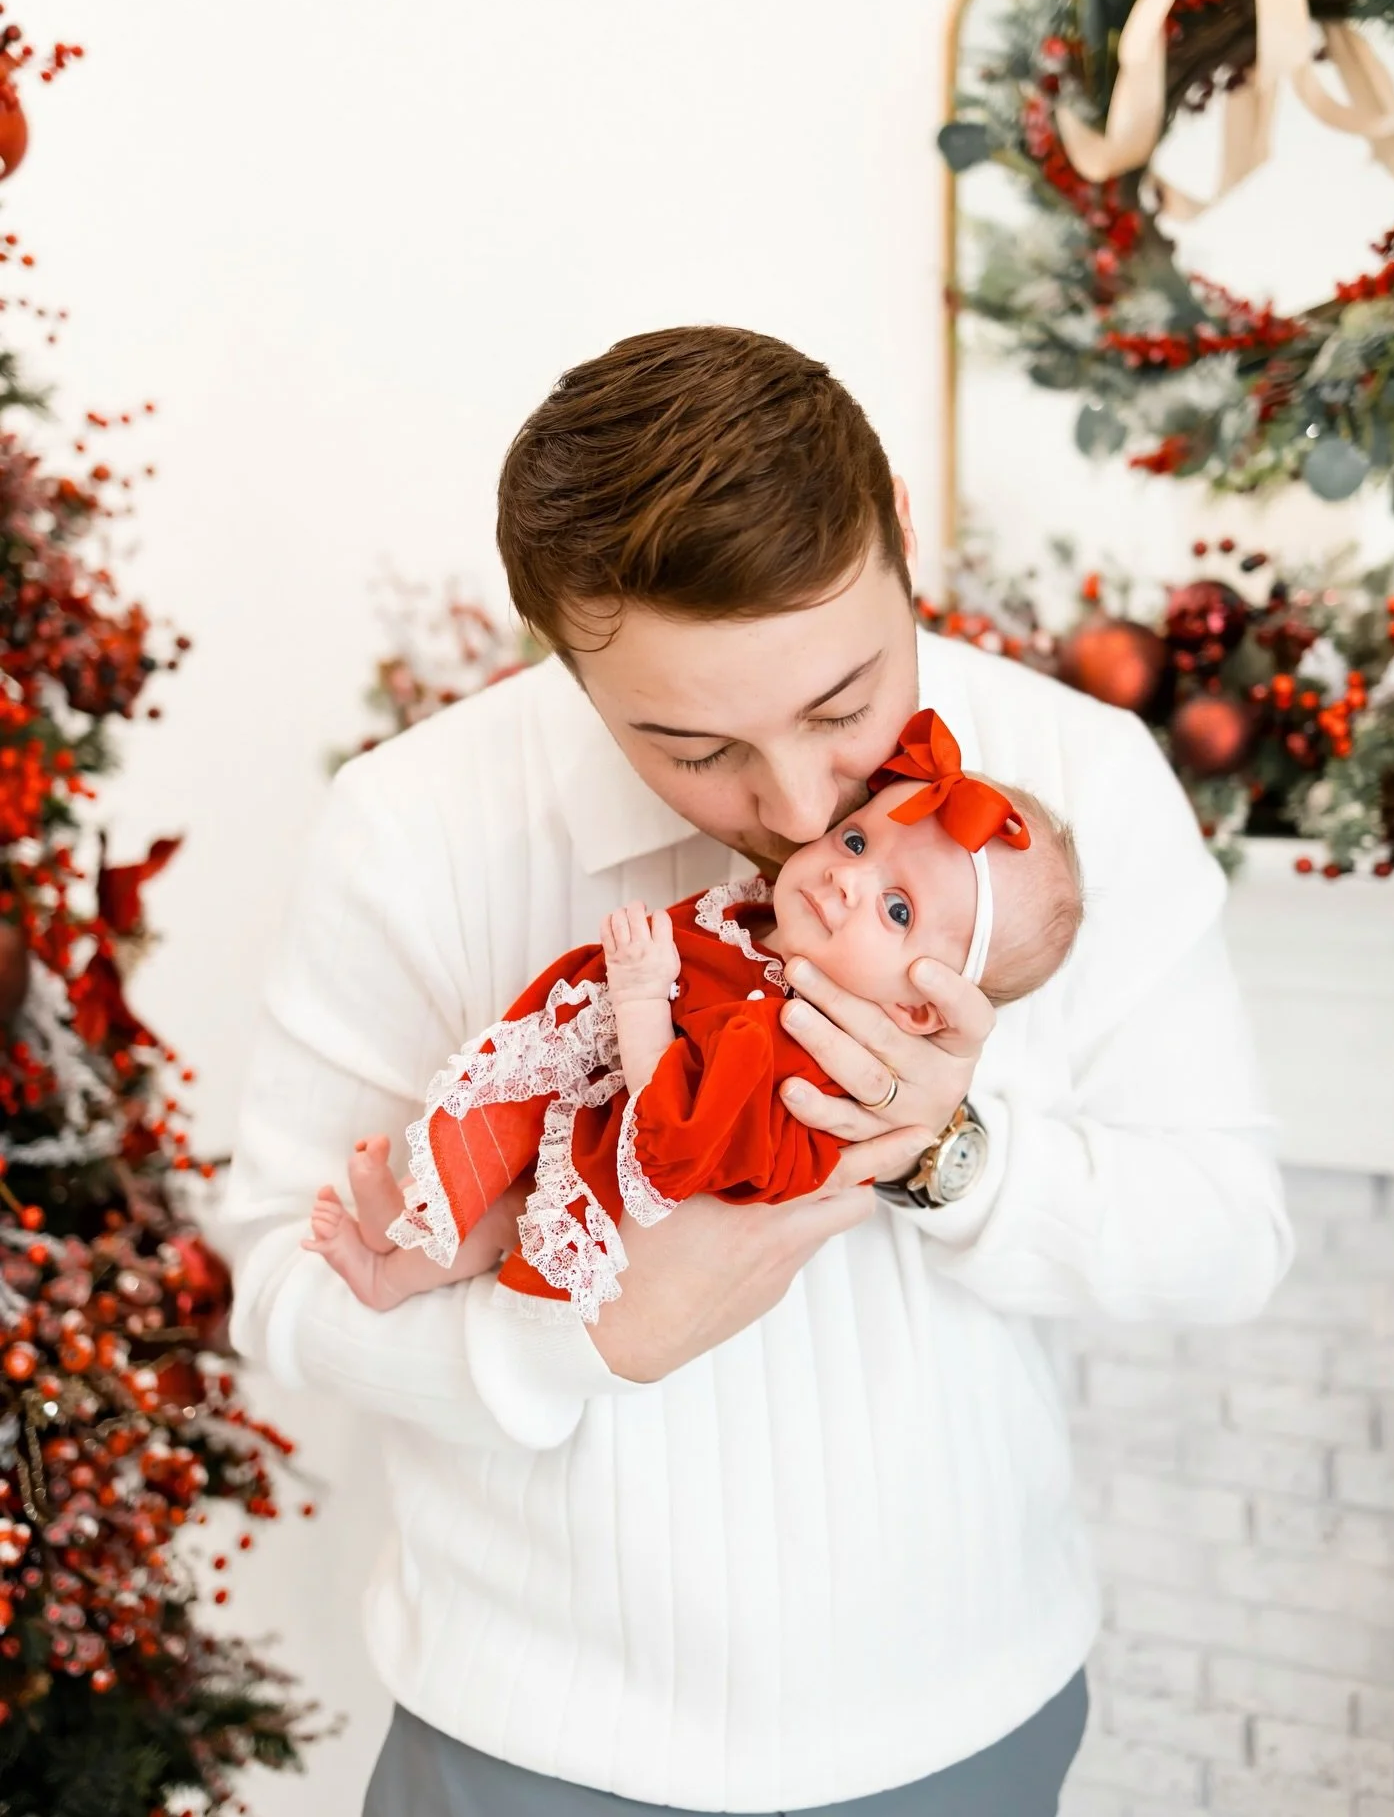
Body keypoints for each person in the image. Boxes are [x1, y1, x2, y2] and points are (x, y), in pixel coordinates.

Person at [217, 326, 1292, 1817]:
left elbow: (1229, 1241)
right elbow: (277, 1286)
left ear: (900, 537)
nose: (795, 806)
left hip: (964, 1730)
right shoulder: (413, 826)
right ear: (563, 654)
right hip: (521, 1751)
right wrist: (577, 1341)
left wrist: (956, 1156)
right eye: (690, 744)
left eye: (845, 706)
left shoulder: (1085, 777)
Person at [302, 710, 1084, 1325]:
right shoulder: (766, 924)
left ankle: (387, 1271)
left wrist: (642, 996)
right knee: (493, 1150)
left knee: (514, 1207)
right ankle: (406, 1220)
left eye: (897, 908)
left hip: (632, 1163)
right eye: (856, 838)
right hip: (594, 1090)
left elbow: (674, 1140)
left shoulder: (800, 1055)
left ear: (922, 1005)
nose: (847, 877)